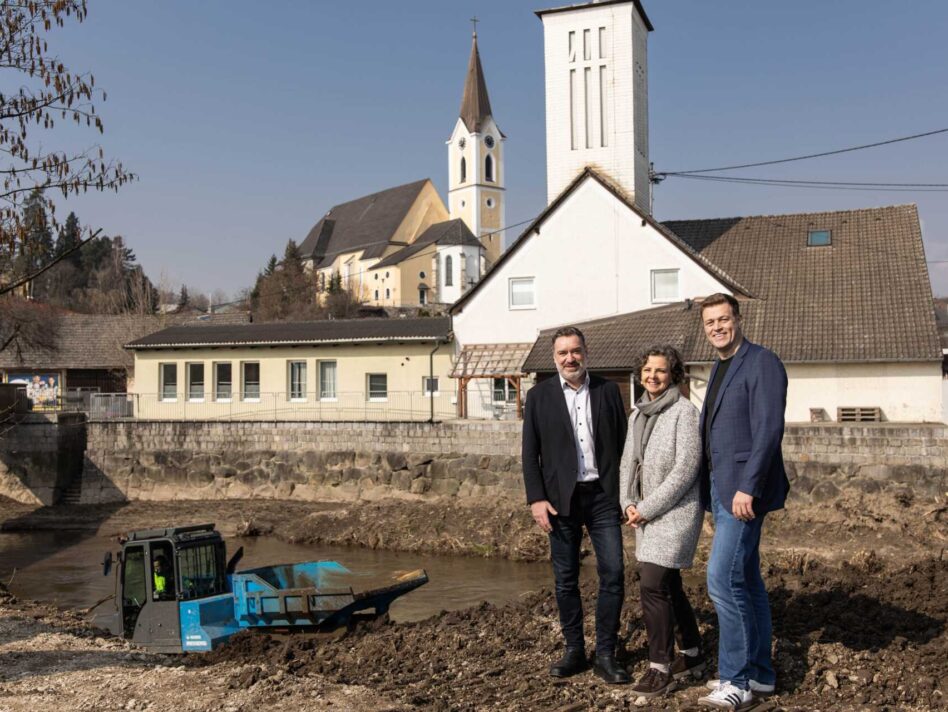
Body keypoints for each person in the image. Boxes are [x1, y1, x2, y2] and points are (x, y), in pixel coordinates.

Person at [695, 294, 789, 710]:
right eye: (710, 322)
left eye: (723, 319)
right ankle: (761, 676)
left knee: (722, 579)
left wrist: (748, 486)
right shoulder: (719, 367)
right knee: (748, 581)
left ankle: (736, 681)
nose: (717, 327)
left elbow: (768, 430)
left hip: (743, 492)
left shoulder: (762, 362)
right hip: (721, 488)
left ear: (738, 319)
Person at [522, 326, 630, 684]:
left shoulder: (608, 391)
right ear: (554, 358)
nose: (570, 358)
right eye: (563, 353)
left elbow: (624, 447)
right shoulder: (538, 397)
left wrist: (627, 495)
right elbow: (529, 455)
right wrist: (536, 499)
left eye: (575, 351)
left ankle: (605, 654)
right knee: (565, 579)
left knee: (613, 573)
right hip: (559, 500)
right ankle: (574, 650)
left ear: (586, 352)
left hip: (603, 497)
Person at [618, 345, 705, 698]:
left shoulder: (684, 412)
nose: (653, 377)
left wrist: (647, 507)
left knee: (652, 583)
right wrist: (627, 502)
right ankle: (693, 654)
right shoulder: (636, 413)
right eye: (648, 370)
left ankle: (660, 668)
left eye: (661, 371)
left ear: (674, 375)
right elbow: (628, 461)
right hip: (644, 513)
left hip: (676, 512)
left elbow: (686, 469)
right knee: (669, 585)